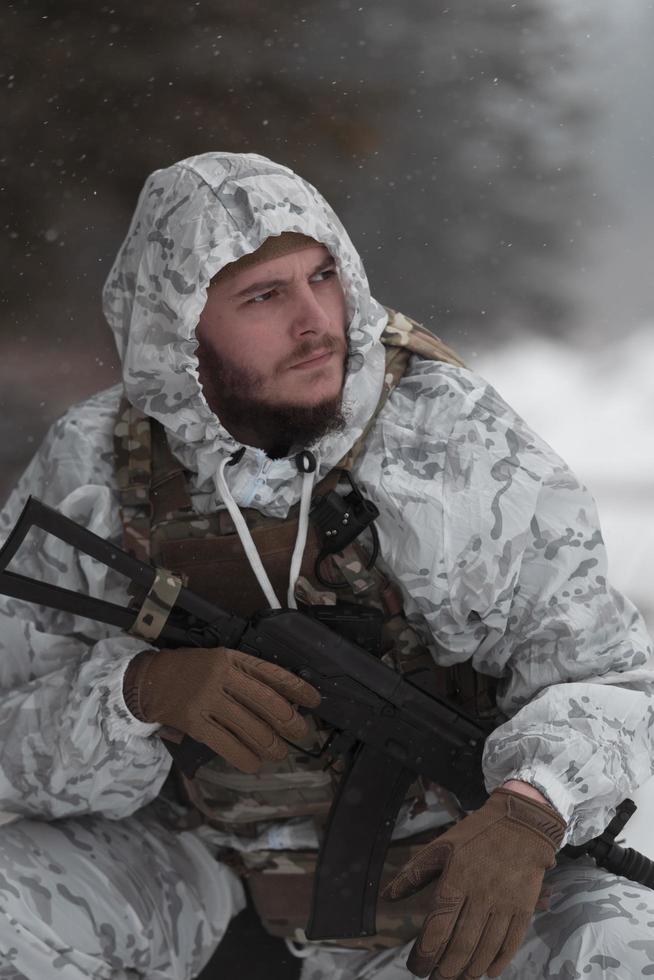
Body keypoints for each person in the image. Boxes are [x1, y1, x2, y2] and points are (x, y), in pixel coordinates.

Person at [0, 150, 652, 980]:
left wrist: (532, 810)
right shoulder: (94, 469)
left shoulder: (453, 440)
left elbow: (605, 675)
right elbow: (9, 746)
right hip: (190, 886)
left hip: (446, 887)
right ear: (179, 327)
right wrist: (136, 698)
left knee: (624, 950)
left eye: (322, 277)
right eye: (265, 296)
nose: (318, 321)